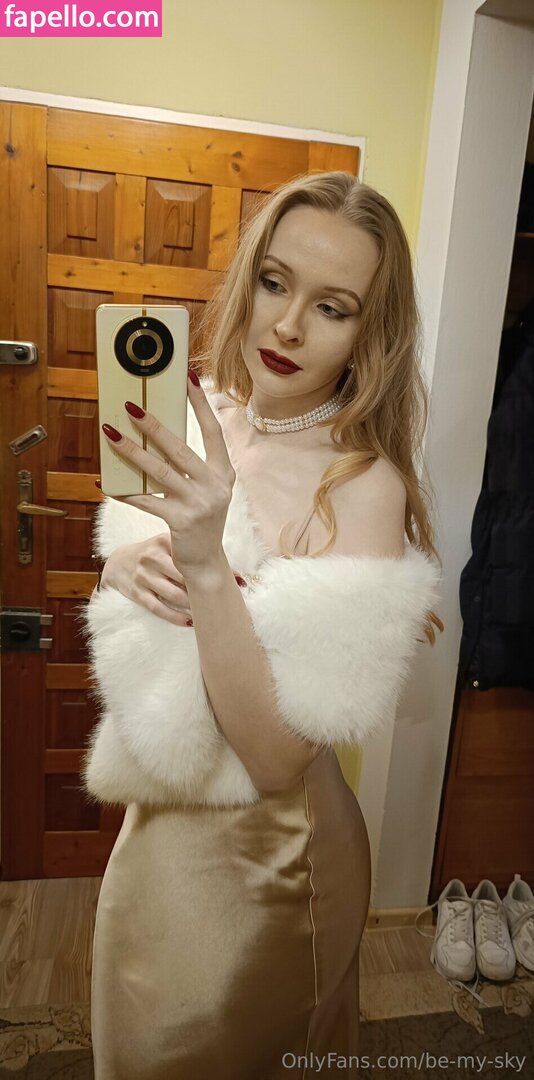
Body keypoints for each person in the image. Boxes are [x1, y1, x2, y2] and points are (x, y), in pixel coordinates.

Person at [81, 170, 443, 1079]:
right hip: (156, 823)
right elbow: (150, 629)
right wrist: (118, 568)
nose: (286, 326)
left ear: (370, 333)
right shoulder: (198, 418)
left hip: (273, 862)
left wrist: (208, 561)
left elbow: (278, 758)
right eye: (275, 283)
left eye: (332, 307)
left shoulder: (361, 487)